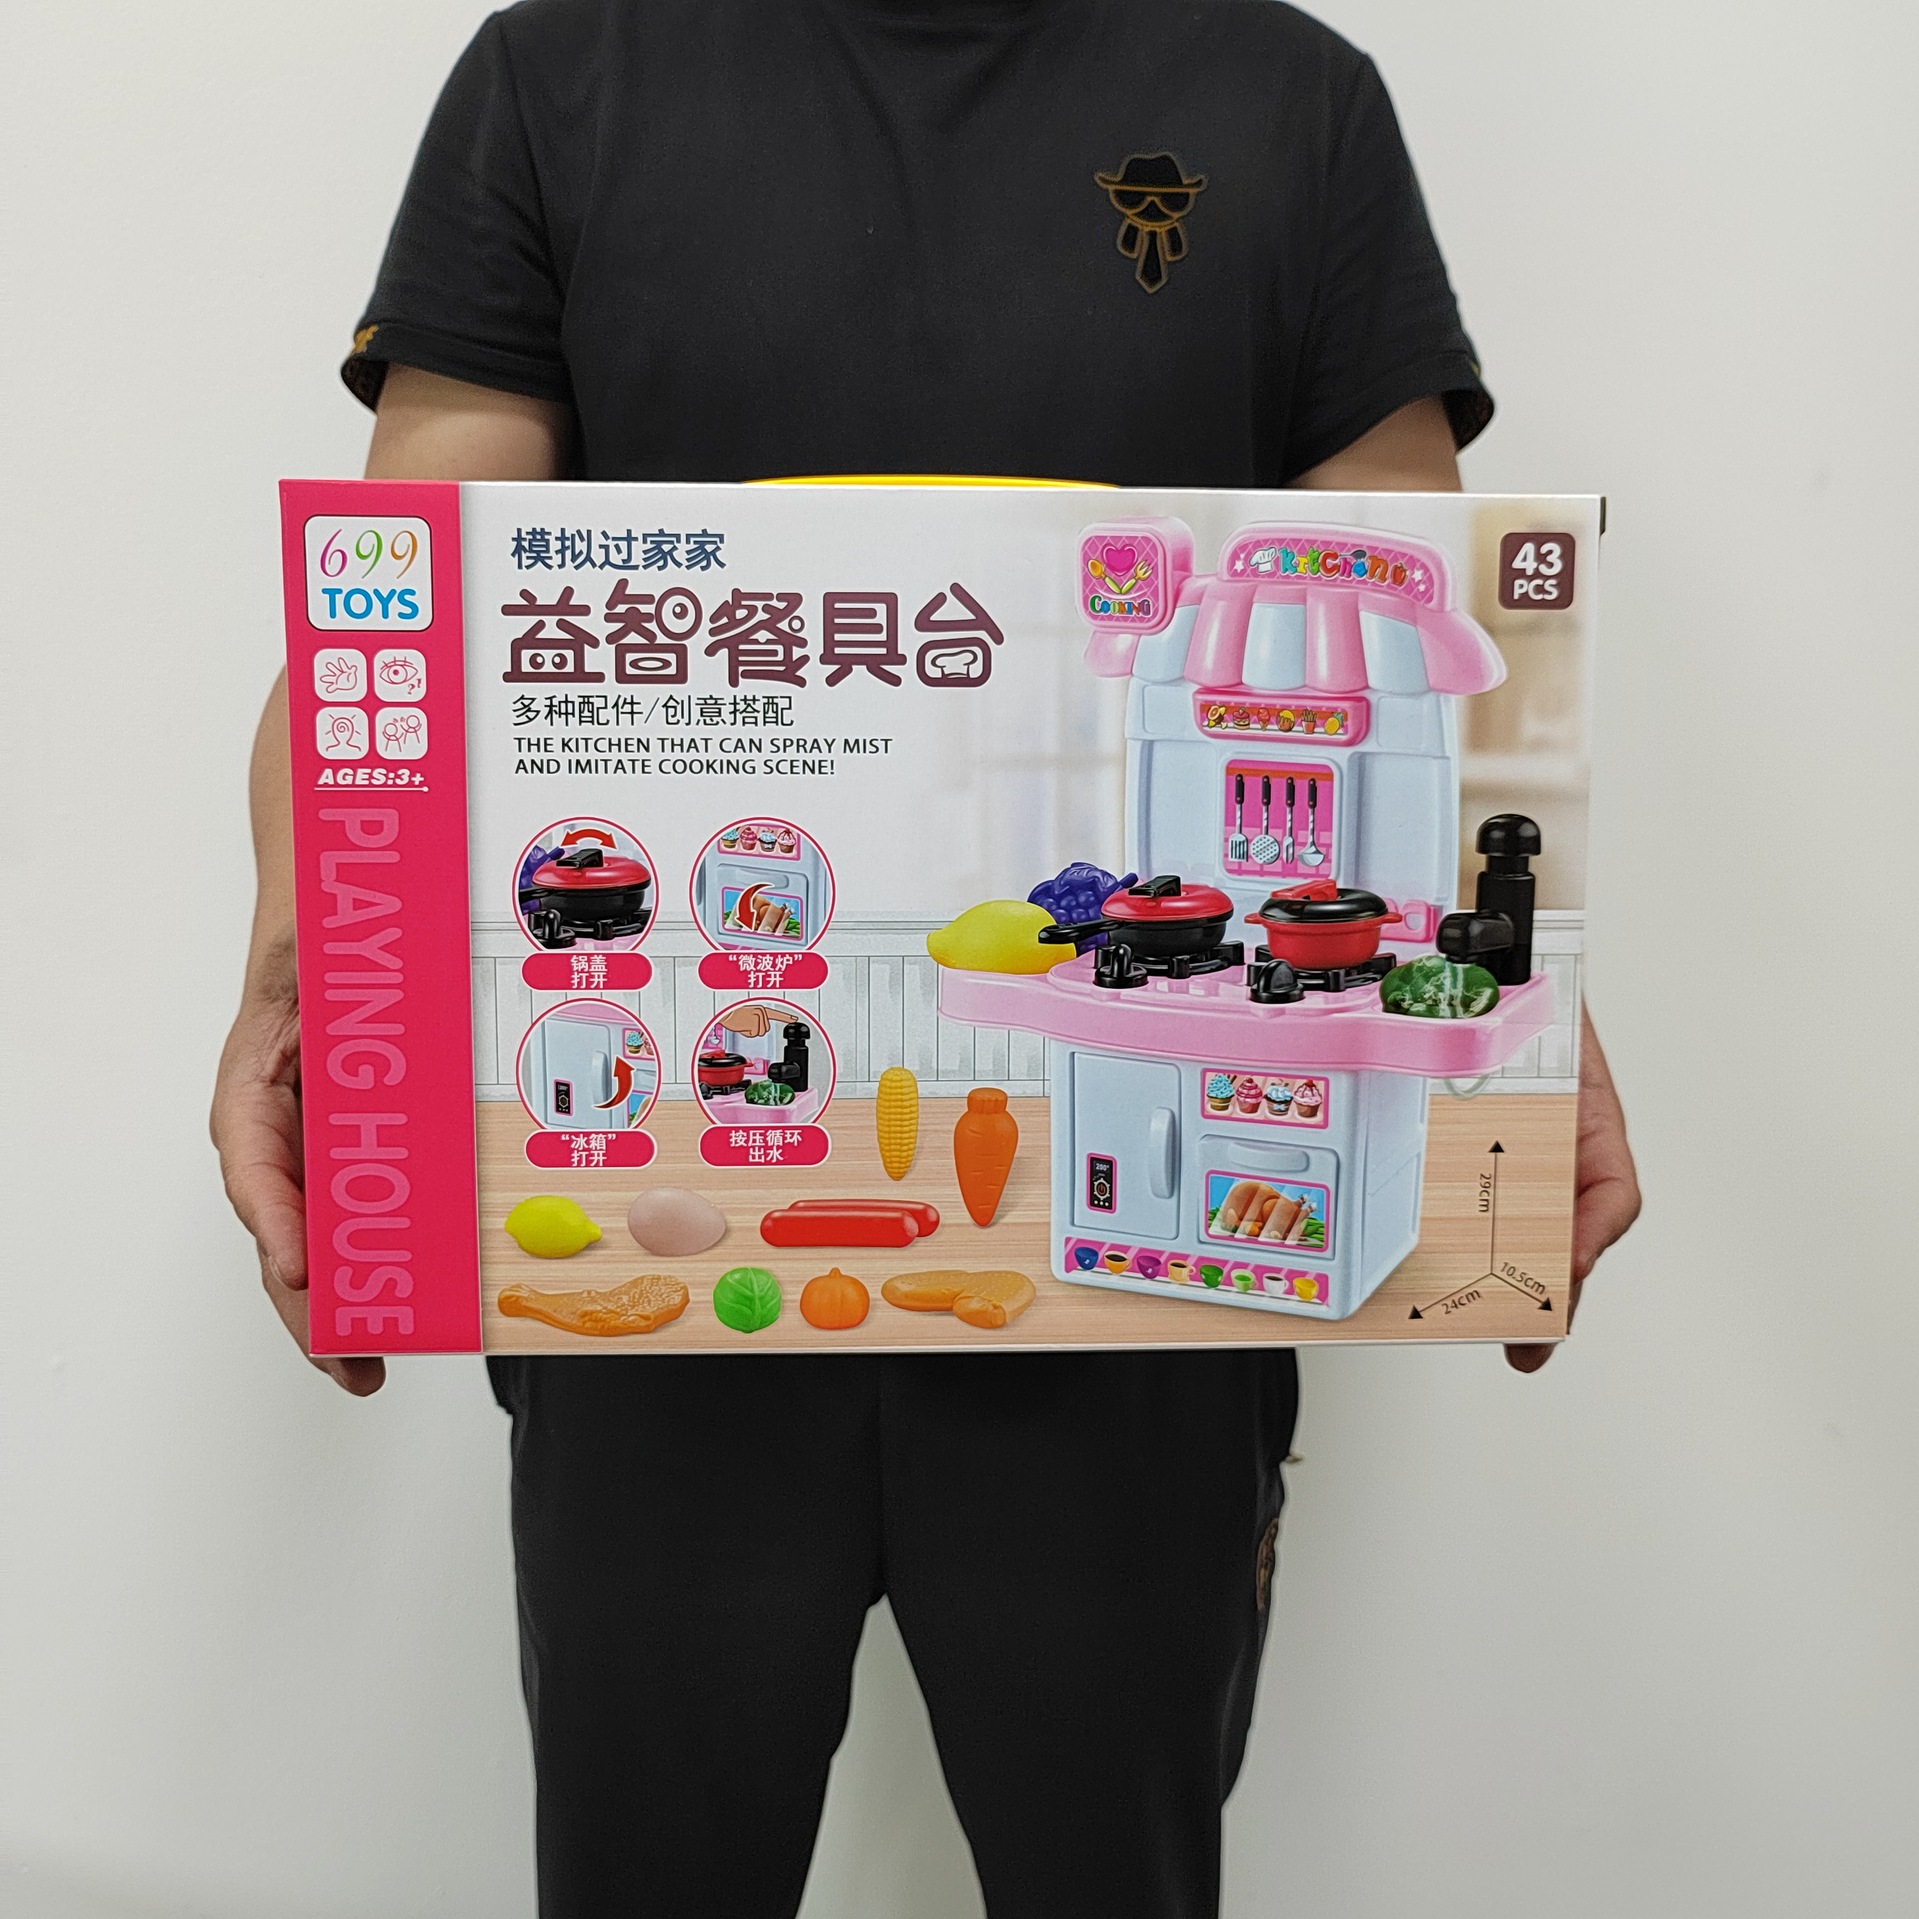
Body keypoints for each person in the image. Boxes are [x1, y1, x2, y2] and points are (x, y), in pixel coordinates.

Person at [212, 3, 1641, 1913]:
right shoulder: (565, 75)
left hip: (1138, 1291)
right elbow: (401, 605)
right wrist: (294, 978)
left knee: (1117, 1872)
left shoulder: (1288, 98)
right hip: (666, 1242)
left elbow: (1422, 633)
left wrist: (1525, 1020)